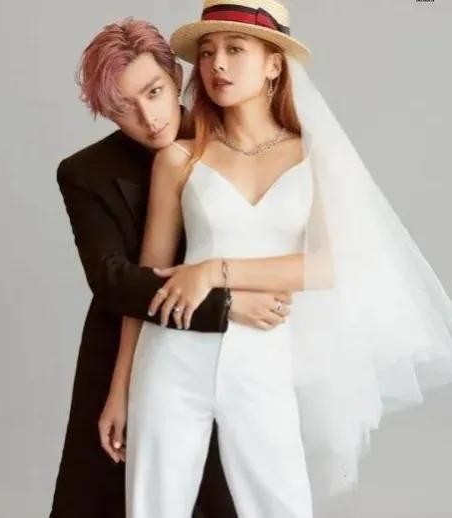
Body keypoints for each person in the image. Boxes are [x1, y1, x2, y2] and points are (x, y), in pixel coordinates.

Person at [105, 0, 452, 517]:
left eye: (235, 49)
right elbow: (145, 283)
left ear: (273, 64)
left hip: (261, 359)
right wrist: (119, 390)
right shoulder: (179, 158)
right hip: (171, 358)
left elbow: (325, 266)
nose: (217, 64)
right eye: (207, 52)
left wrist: (214, 272)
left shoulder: (312, 156)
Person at [51, 18, 292, 518]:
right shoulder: (85, 172)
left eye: (154, 92)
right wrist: (226, 302)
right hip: (125, 349)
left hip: (235, 357)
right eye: (123, 107)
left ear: (177, 76)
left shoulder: (239, 143)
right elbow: (113, 281)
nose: (148, 116)